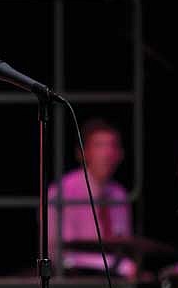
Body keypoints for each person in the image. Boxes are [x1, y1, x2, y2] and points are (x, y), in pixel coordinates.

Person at [48, 117, 134, 279]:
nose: (107, 153)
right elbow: (61, 254)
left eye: (112, 146)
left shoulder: (119, 194)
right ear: (82, 153)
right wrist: (117, 266)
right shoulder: (62, 192)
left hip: (113, 277)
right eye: (99, 146)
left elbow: (123, 245)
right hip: (73, 280)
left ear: (120, 154)